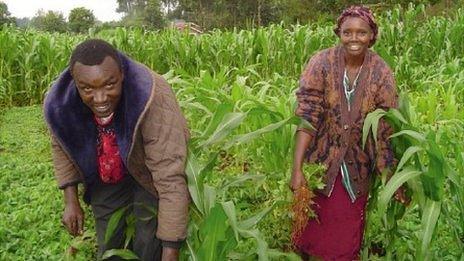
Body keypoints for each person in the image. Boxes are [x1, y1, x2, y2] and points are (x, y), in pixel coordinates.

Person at [44, 39, 190, 260]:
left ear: (122, 74)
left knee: (148, 241)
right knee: (109, 242)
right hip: (106, 168)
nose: (100, 98)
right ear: (75, 83)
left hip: (147, 167)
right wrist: (70, 199)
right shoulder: (60, 104)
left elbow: (169, 175)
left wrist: (171, 250)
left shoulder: (152, 95)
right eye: (87, 89)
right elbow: (62, 143)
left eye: (109, 85)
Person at [290, 6, 408, 260]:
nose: (354, 39)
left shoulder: (382, 73)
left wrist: (391, 178)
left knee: (343, 247)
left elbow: (384, 130)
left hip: (356, 172)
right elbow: (308, 115)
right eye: (348, 32)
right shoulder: (320, 63)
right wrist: (297, 168)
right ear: (339, 33)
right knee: (308, 237)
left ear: (371, 36)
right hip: (320, 167)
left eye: (361, 33)